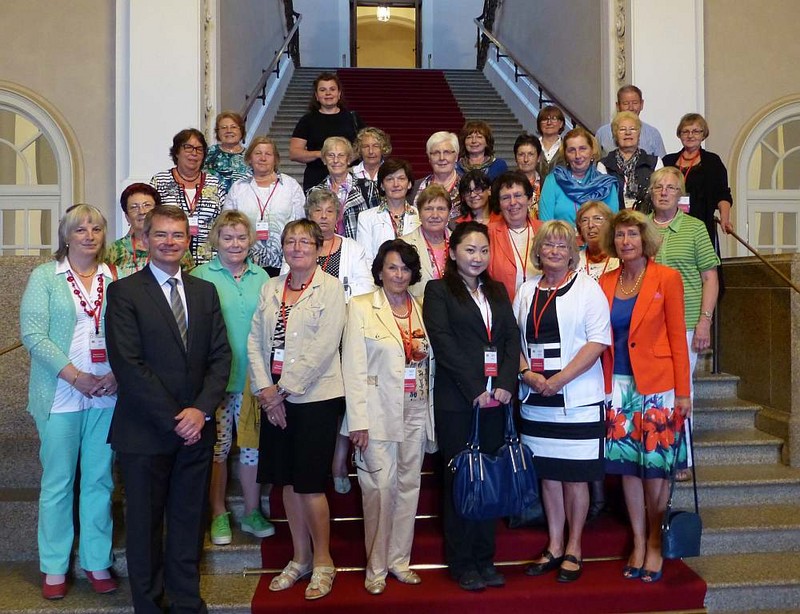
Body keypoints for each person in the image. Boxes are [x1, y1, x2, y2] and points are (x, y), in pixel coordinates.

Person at [105, 205, 232, 612]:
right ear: (144, 240)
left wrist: (200, 412)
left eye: (177, 235)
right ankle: (149, 604)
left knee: (188, 522)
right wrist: (177, 419)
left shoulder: (204, 292)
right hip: (144, 433)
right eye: (161, 235)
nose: (170, 242)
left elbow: (220, 359)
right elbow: (128, 363)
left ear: (187, 241)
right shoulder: (124, 293)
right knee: (143, 526)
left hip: (196, 432)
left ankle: (185, 600)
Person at [20, 204, 119, 600]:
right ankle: (55, 566)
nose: (89, 235)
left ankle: (97, 561)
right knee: (58, 482)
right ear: (66, 235)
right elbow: (32, 335)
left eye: (96, 228)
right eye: (81, 229)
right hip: (60, 393)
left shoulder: (115, 276)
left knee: (99, 480)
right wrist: (76, 376)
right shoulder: (45, 276)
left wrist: (115, 375)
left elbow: (128, 333)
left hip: (107, 394)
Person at [248, 219, 347, 601]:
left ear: (319, 248)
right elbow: (255, 342)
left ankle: (324, 562)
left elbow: (324, 349)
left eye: (305, 241)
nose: (297, 247)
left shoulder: (331, 288)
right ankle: (300, 557)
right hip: (275, 398)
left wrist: (282, 392)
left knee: (308, 483)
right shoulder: (271, 287)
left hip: (314, 400)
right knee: (286, 481)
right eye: (290, 241)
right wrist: (266, 389)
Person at [423, 221, 520, 592]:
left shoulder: (495, 290)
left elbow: (511, 337)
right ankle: (462, 562)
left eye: (483, 250)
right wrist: (476, 388)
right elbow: (443, 343)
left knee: (491, 481)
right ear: (452, 252)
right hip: (459, 402)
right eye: (469, 250)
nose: (477, 257)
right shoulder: (438, 290)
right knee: (462, 481)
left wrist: (507, 384)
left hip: (498, 402)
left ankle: (485, 557)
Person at [513, 220, 610, 583]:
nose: (554, 251)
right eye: (548, 245)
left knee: (573, 478)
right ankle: (553, 544)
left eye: (561, 246)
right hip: (536, 397)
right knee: (549, 477)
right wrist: (527, 374)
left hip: (575, 398)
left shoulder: (587, 289)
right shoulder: (525, 291)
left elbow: (597, 342)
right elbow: (514, 343)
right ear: (538, 250)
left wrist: (558, 380)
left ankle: (574, 546)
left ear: (573, 252)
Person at [598, 209, 691, 584]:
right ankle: (637, 541)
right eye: (620, 236)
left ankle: (655, 542)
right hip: (617, 388)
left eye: (632, 235)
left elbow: (677, 339)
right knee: (628, 472)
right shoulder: (605, 281)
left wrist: (683, 393)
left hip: (657, 388)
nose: (625, 242)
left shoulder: (667, 278)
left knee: (655, 472)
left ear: (644, 238)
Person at [342, 239, 434, 595]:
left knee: (409, 486)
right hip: (376, 413)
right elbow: (352, 366)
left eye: (406, 268)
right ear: (380, 270)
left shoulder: (422, 307)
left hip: (415, 407)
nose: (399, 274)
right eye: (392, 267)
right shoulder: (362, 307)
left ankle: (399, 561)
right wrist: (357, 422)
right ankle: (376, 567)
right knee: (379, 489)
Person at [190, 211, 273, 546]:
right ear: (216, 241)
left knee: (252, 448)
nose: (235, 244)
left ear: (250, 240)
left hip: (253, 378)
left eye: (241, 237)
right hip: (216, 380)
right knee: (219, 449)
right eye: (228, 237)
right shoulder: (199, 276)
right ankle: (218, 513)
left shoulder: (263, 277)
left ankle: (252, 511)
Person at [290, 189, 373, 495]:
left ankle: (339, 462)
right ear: (308, 215)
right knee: (314, 403)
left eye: (328, 212)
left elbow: (363, 291)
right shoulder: (299, 249)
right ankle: (314, 459)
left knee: (341, 402)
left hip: (344, 335)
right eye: (317, 212)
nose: (323, 218)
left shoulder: (352, 249)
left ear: (337, 217)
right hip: (306, 339)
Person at [649, 167, 720, 480]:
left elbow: (710, 278)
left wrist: (705, 322)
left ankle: (682, 457)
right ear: (651, 192)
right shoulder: (641, 228)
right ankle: (655, 449)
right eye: (659, 187)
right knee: (654, 391)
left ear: (680, 195)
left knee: (681, 388)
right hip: (649, 326)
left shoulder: (694, 228)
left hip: (687, 323)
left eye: (671, 188)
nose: (664, 192)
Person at [225, 136, 305, 276]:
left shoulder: (291, 186)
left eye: (268, 154)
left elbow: (301, 223)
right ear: (249, 158)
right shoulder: (238, 187)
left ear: (275, 159)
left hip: (284, 263)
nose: (263, 158)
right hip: (245, 263)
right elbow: (227, 224)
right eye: (258, 153)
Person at [150, 128, 225, 264]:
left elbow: (224, 221)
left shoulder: (214, 183)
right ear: (177, 152)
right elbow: (149, 219)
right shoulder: (160, 181)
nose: (194, 153)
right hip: (170, 258)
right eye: (188, 147)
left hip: (209, 261)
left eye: (199, 149)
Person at [663, 113, 734, 248]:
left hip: (702, 225)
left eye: (696, 131)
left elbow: (723, 194)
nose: (690, 136)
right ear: (679, 134)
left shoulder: (712, 162)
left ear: (703, 134)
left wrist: (725, 219)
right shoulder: (667, 161)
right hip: (670, 224)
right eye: (686, 131)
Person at [290, 71, 364, 191]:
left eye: (332, 89)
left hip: (349, 178)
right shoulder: (307, 120)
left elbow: (364, 146)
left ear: (339, 94)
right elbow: (294, 153)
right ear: (316, 95)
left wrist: (346, 158)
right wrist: (321, 154)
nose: (328, 93)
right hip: (316, 179)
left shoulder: (352, 118)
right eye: (323, 90)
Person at [107, 182, 194, 277]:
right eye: (134, 207)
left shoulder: (173, 246)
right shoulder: (114, 250)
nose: (142, 212)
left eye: (147, 205)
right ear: (127, 216)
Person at [539, 127, 619, 226]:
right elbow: (545, 225)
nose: (578, 156)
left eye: (582, 149)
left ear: (592, 151)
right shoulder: (553, 181)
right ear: (565, 155)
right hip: (560, 241)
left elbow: (612, 227)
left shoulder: (606, 185)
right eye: (571, 150)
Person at [487, 170, 544, 301]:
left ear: (529, 200)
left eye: (518, 195)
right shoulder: (488, 234)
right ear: (499, 204)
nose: (513, 202)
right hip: (504, 311)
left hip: (542, 310)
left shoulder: (545, 231)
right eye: (506, 198)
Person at [308, 136, 377, 240]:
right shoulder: (314, 192)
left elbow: (376, 225)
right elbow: (310, 229)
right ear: (324, 160)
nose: (336, 160)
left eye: (341, 155)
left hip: (359, 252)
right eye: (331, 155)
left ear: (348, 159)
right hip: (325, 251)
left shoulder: (368, 188)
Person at [356, 158, 420, 263]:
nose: (396, 184)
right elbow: (365, 260)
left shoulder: (419, 215)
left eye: (401, 178)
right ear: (382, 185)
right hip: (378, 277)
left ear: (409, 184)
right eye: (390, 179)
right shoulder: (366, 217)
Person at [600, 111, 663, 211]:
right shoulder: (604, 165)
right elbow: (603, 201)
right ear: (615, 134)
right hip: (616, 220)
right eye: (622, 129)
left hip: (648, 220)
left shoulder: (654, 162)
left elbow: (660, 194)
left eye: (632, 129)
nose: (628, 133)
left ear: (639, 133)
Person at [402, 184, 451, 298]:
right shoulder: (404, 245)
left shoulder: (460, 242)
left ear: (449, 213)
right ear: (419, 213)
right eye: (428, 209)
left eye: (441, 209)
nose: (435, 215)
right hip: (418, 310)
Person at [595, 85, 667, 158]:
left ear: (641, 104)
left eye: (635, 103)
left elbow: (663, 165)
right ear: (618, 106)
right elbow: (594, 162)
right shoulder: (602, 133)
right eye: (625, 103)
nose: (631, 108)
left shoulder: (653, 133)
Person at [413, 131, 462, 220]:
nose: (442, 158)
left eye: (447, 152)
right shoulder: (415, 187)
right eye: (436, 153)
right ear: (429, 158)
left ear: (456, 157)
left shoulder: (467, 188)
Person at [203, 111, 250, 193]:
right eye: (224, 127)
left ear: (241, 130)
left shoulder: (251, 156)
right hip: (214, 202)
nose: (229, 131)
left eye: (233, 127)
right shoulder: (208, 153)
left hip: (244, 203)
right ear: (218, 132)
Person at [576, 201, 620, 281]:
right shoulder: (574, 261)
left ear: (609, 223)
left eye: (597, 219)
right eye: (584, 220)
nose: (590, 225)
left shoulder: (621, 258)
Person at [513, 133, 544, 218]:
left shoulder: (546, 183)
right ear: (515, 158)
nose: (526, 159)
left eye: (530, 154)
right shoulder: (507, 184)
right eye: (521, 154)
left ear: (538, 157)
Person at [536, 105, 566, 180]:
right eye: (544, 119)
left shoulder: (567, 147)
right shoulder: (533, 147)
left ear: (561, 123)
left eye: (554, 119)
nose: (549, 123)